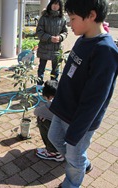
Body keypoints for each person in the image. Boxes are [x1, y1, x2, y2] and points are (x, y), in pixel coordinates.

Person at [47, 0, 118, 187]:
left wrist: (77, 131)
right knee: (54, 137)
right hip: (64, 108)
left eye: (72, 18)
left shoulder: (105, 51)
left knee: (74, 155)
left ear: (92, 16)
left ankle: (71, 181)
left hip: (80, 119)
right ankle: (82, 162)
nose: (69, 24)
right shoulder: (82, 39)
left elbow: (95, 99)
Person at [36, 0, 68, 87]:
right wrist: (50, 38)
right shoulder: (44, 17)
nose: (55, 6)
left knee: (55, 69)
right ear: (50, 4)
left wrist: (60, 37)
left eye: (57, 4)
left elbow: (65, 32)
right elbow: (39, 32)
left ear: (60, 6)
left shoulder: (62, 18)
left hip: (56, 48)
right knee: (41, 68)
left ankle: (53, 86)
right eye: (54, 3)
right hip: (44, 47)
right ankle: (39, 84)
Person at [34, 80, 64, 162]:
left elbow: (36, 112)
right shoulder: (66, 98)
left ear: (48, 96)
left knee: (41, 119)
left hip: (62, 135)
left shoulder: (50, 105)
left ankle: (53, 152)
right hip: (74, 138)